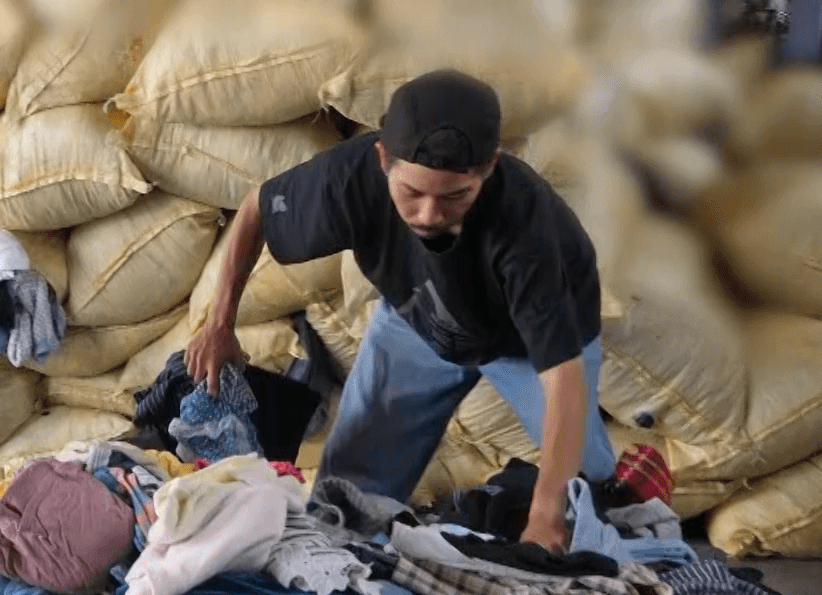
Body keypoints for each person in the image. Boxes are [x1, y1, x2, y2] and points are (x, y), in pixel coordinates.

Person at [186, 70, 616, 552]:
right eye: (412, 193)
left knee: (586, 495)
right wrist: (220, 325)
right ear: (383, 159)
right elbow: (256, 209)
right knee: (345, 503)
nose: (429, 214)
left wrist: (544, 511)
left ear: (489, 167)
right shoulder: (350, 179)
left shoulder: (526, 228)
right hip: (421, 320)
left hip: (524, 348)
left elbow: (562, 378)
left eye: (455, 196)